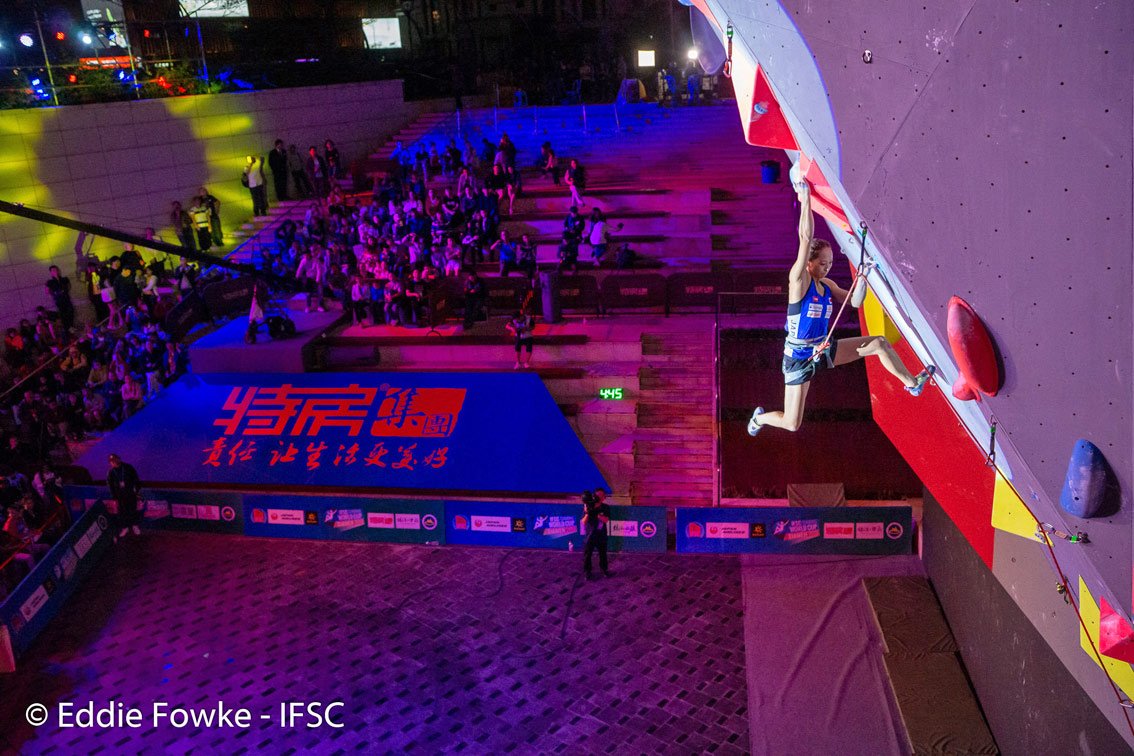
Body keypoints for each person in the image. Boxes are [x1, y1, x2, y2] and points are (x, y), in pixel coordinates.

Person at [747, 183, 936, 435]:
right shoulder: (799, 282)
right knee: (792, 424)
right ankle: (759, 419)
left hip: (823, 348)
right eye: (822, 263)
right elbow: (805, 238)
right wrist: (806, 198)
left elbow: (855, 302)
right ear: (809, 263)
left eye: (830, 263)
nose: (827, 268)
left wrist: (863, 277)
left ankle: (912, 384)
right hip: (799, 358)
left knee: (879, 343)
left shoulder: (827, 285)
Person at [106, 453, 142, 538]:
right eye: (111, 461)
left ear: (119, 459)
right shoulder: (111, 472)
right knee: (122, 512)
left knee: (133, 510)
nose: (113, 463)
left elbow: (136, 478)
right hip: (120, 496)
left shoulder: (128, 467)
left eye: (114, 460)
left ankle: (135, 525)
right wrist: (114, 497)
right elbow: (110, 485)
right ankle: (125, 527)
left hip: (130, 493)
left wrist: (136, 490)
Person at [581, 488, 612, 579]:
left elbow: (606, 520)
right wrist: (587, 512)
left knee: (603, 554)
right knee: (587, 554)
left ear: (604, 497)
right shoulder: (588, 506)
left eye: (601, 495)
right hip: (590, 535)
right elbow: (583, 522)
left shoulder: (605, 507)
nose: (599, 497)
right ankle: (587, 572)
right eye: (597, 495)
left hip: (601, 534)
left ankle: (604, 570)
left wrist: (597, 514)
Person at [45, 265, 74, 332]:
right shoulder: (50, 282)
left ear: (58, 271)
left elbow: (69, 286)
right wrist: (55, 294)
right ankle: (68, 329)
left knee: (71, 312)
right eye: (53, 270)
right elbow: (47, 291)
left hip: (66, 298)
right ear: (51, 272)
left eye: (55, 270)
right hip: (59, 300)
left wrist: (64, 291)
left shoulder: (64, 279)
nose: (55, 271)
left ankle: (71, 327)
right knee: (63, 314)